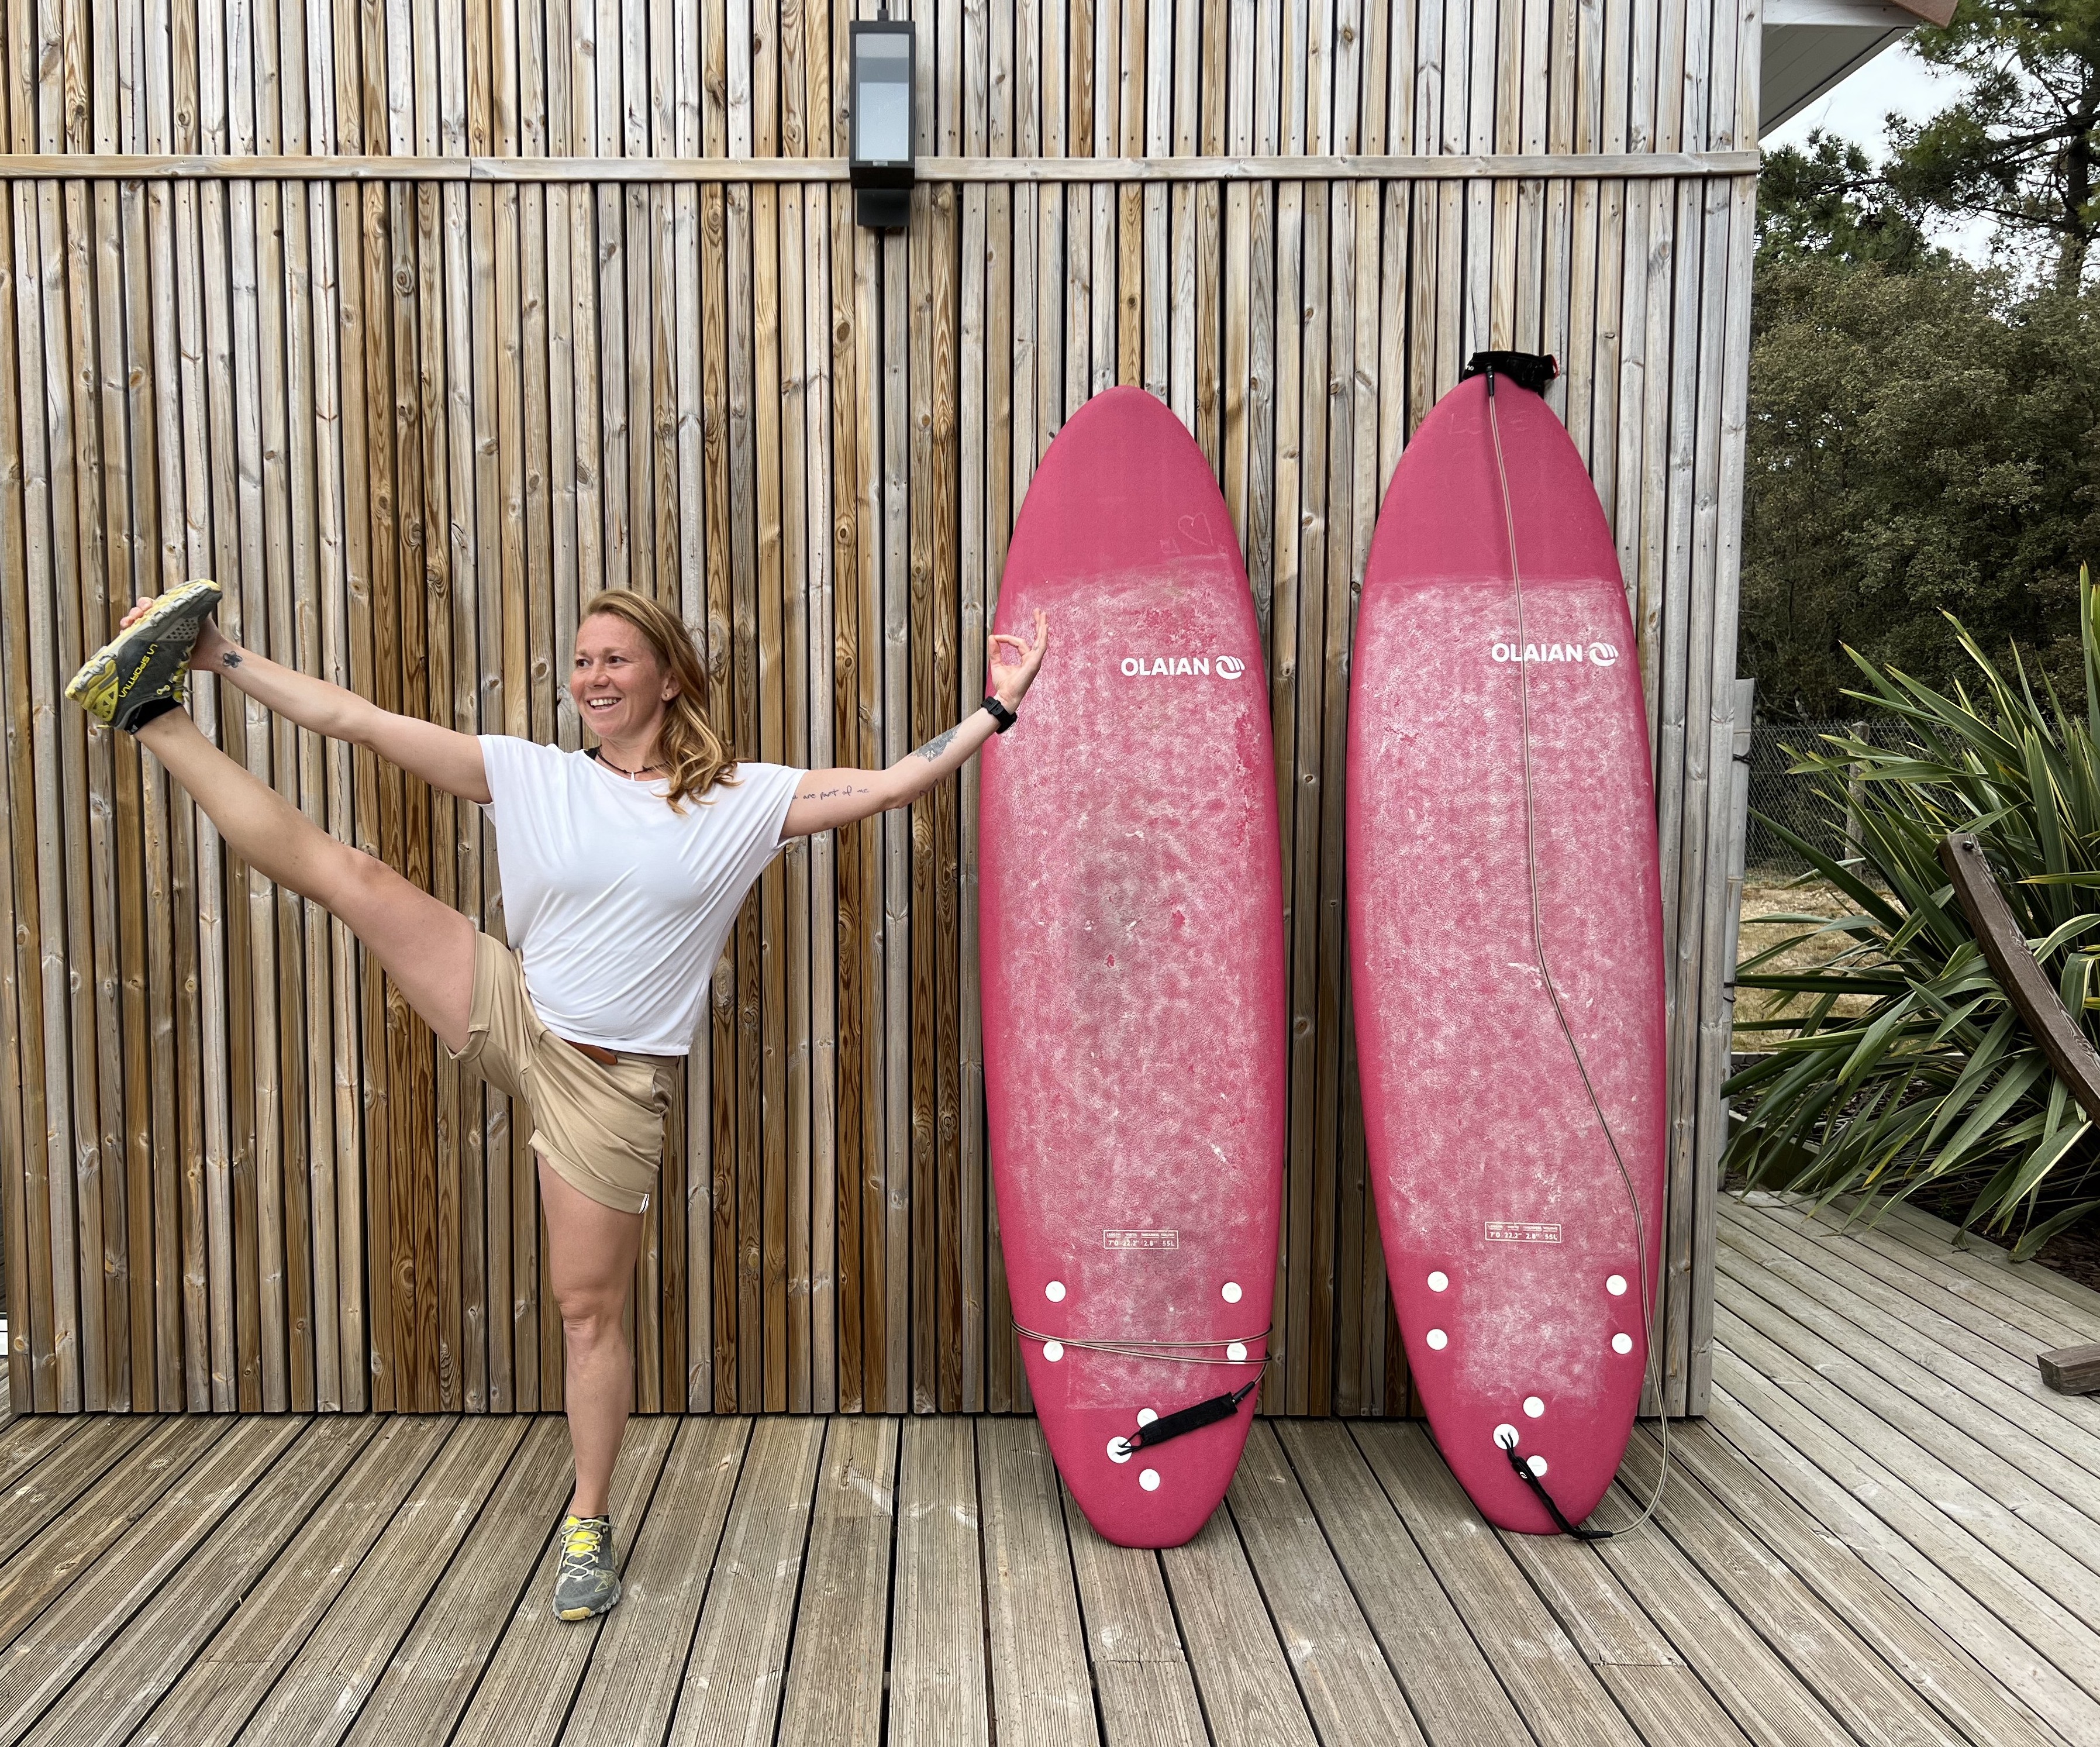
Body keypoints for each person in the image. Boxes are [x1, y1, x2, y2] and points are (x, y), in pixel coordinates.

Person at [65, 578, 1049, 1621]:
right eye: (582, 662)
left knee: (589, 1312)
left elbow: (898, 784)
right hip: (515, 1005)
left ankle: (588, 1518)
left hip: (614, 1084)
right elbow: (353, 718)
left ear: (669, 679)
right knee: (350, 875)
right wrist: (221, 657)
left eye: (617, 660)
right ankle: (149, 713)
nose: (593, 679)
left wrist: (1000, 706)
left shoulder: (747, 801)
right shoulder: (531, 774)